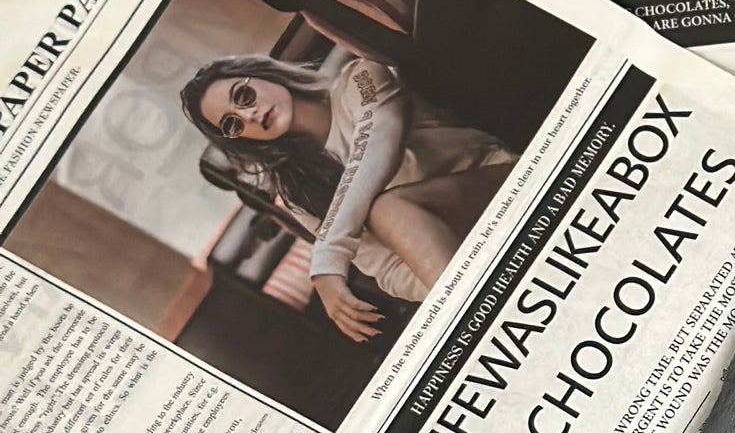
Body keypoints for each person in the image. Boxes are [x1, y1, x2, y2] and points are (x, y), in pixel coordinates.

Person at [182, 51, 515, 341]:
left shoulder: (360, 78)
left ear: (262, 75)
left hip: (502, 190)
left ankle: (480, 312)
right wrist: (446, 278)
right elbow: (386, 268)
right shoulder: (297, 192)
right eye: (233, 125)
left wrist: (329, 252)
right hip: (466, 260)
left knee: (385, 211)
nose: (249, 115)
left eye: (243, 96)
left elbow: (377, 142)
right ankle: (483, 308)